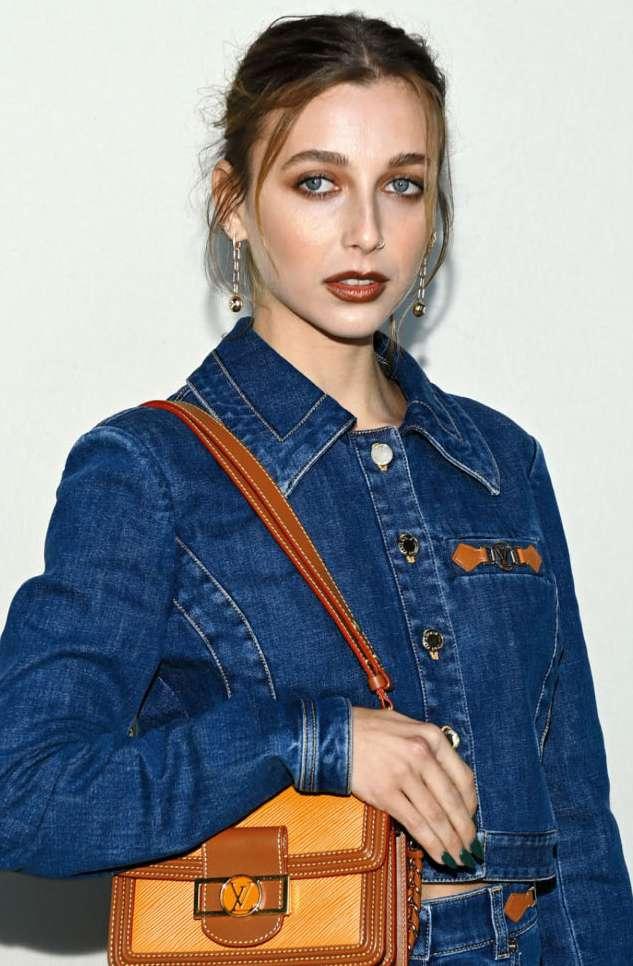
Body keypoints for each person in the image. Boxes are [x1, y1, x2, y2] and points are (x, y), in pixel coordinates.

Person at [1, 11, 631, 965]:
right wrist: (309, 741)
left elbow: (576, 827)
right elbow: (24, 793)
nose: (366, 232)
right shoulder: (150, 471)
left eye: (402, 185)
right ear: (233, 203)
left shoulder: (500, 464)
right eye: (317, 183)